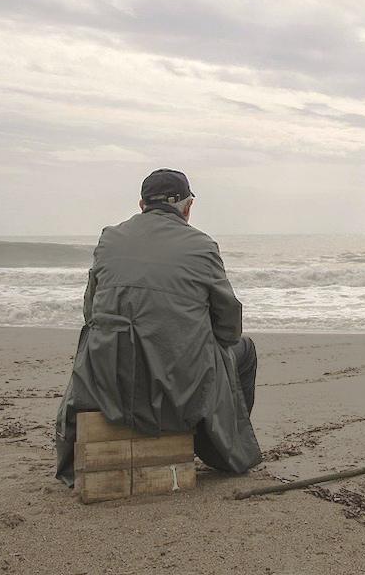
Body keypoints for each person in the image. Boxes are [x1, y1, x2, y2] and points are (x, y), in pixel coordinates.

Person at [54, 168, 261, 486]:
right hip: (177, 391)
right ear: (188, 207)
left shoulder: (109, 238)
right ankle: (218, 448)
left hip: (107, 385)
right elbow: (229, 326)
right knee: (243, 351)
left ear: (141, 205)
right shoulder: (202, 245)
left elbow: (90, 313)